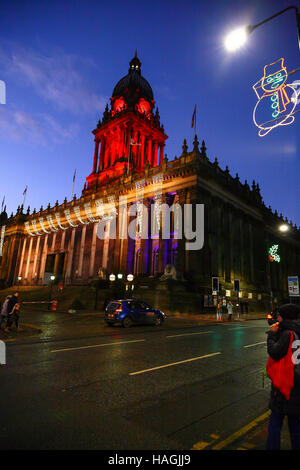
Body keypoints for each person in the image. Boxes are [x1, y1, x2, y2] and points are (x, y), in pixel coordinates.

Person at [266, 303, 300, 450]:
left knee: (275, 423)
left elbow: (274, 352)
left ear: (285, 317)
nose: (277, 318)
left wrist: (272, 335)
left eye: (279, 315)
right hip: (297, 385)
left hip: (285, 385)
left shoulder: (287, 334)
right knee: (295, 426)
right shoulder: (296, 331)